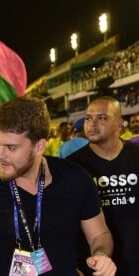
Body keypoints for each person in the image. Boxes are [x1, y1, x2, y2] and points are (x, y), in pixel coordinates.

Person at [0, 96, 116, 276]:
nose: (0, 155)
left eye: (11, 147)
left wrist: (101, 255)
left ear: (39, 146)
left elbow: (100, 235)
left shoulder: (75, 177)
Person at [68, 96, 139, 276]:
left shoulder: (136, 156)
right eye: (88, 118)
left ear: (119, 124)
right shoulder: (72, 166)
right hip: (94, 264)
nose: (92, 124)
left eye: (102, 118)